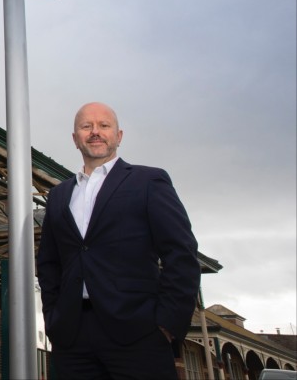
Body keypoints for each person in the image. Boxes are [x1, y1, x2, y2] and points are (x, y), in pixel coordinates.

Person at [36, 102, 201, 380]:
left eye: (104, 125)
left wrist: (167, 324)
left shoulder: (149, 181)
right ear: (75, 138)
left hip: (139, 333)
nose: (95, 132)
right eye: (86, 126)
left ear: (119, 135)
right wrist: (53, 318)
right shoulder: (59, 195)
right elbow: (49, 262)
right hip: (72, 338)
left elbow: (181, 253)